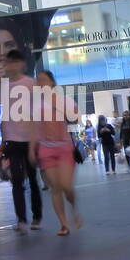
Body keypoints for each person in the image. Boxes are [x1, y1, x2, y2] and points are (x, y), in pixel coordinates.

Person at [0, 49, 42, 231]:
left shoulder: (31, 84)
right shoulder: (5, 86)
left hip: (29, 139)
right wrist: (4, 140)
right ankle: (21, 219)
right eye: (6, 62)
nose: (8, 65)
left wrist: (33, 144)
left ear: (20, 64)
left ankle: (37, 216)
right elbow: (5, 115)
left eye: (11, 62)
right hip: (12, 140)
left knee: (33, 179)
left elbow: (36, 115)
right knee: (16, 181)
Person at [29, 69, 82, 235]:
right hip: (45, 148)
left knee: (66, 186)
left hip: (64, 147)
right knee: (56, 188)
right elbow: (34, 131)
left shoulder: (64, 100)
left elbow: (75, 119)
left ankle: (73, 208)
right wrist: (32, 150)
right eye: (39, 81)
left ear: (52, 83)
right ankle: (64, 224)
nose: (41, 83)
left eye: (44, 80)